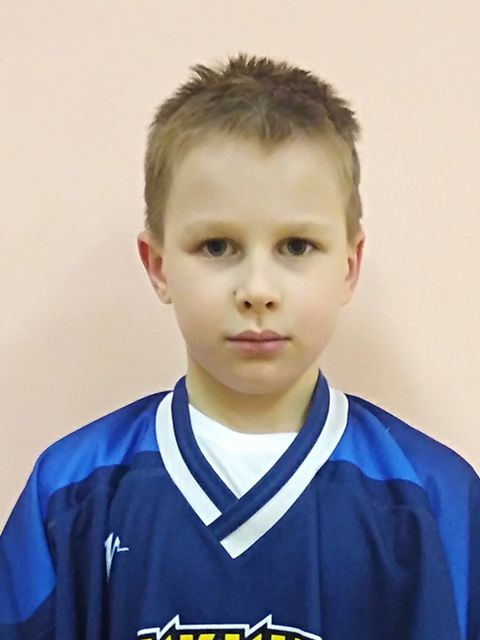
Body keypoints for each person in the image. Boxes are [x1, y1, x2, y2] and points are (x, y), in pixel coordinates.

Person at [1, 52, 478, 640]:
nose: (257, 290)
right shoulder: (70, 492)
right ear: (158, 266)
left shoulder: (434, 498)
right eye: (217, 246)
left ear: (349, 266)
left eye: (296, 246)